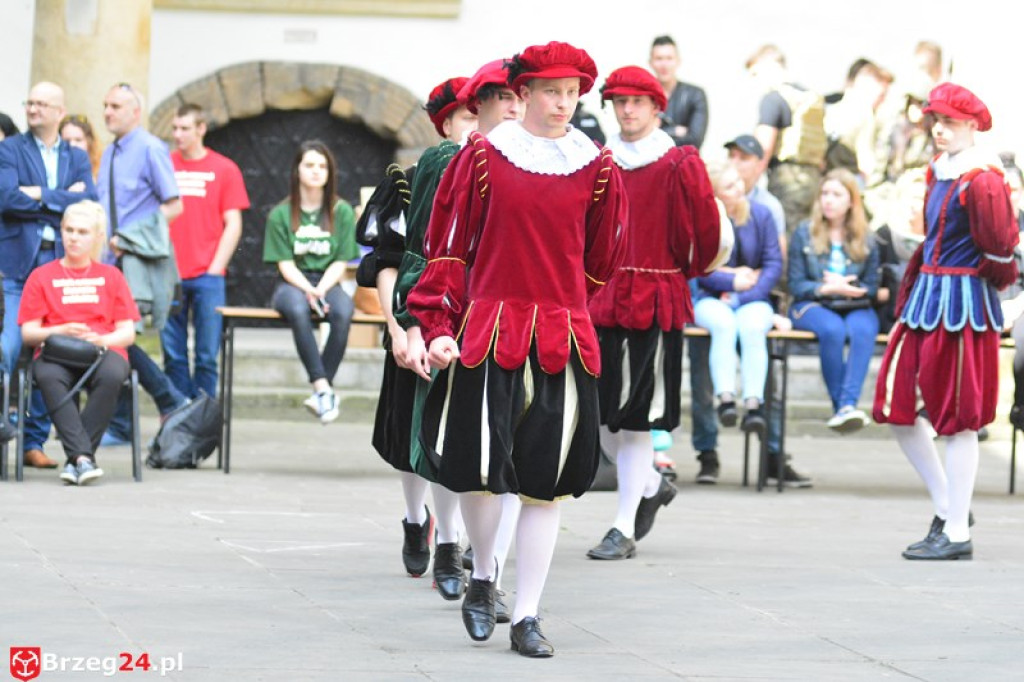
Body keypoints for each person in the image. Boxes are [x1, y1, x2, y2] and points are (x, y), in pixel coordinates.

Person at [407, 41, 627, 657]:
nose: (563, 104)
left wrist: (560, 304)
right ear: (523, 94)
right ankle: (483, 574)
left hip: (562, 338)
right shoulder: (481, 159)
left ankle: (527, 614)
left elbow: (601, 260)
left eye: (573, 93)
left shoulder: (597, 168)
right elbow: (448, 247)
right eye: (551, 92)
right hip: (488, 333)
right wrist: (439, 323)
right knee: (479, 473)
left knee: (545, 484)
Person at [586, 65, 727, 561]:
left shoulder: (678, 161)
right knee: (601, 416)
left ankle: (623, 526)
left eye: (637, 102)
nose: (627, 111)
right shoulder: (600, 159)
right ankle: (650, 485)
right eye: (619, 102)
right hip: (602, 298)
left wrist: (679, 272)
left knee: (638, 418)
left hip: (654, 298)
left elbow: (706, 232)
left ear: (656, 107)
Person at [874, 84, 1018, 560]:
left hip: (961, 305)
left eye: (950, 121)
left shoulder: (983, 179)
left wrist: (985, 297)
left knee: (958, 422)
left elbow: (1000, 252)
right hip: (926, 301)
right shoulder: (939, 172)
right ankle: (949, 506)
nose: (939, 128)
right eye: (935, 119)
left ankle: (956, 531)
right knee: (898, 405)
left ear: (972, 126)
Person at [356, 77, 474, 603]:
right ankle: (414, 518)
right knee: (410, 443)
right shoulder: (409, 183)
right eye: (468, 117)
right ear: (446, 124)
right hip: (409, 318)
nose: (479, 128)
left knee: (450, 439)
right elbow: (385, 263)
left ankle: (450, 544)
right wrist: (396, 326)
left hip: (469, 327)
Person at [0, 81, 97, 469]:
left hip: (58, 267)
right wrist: (59, 199)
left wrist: (38, 193)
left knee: (52, 352)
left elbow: (87, 199)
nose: (33, 109)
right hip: (17, 266)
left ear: (60, 111)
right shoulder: (10, 148)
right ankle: (3, 424)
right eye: (30, 102)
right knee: (7, 346)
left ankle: (33, 441)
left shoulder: (75, 156)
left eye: (42, 104)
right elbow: (6, 197)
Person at [18, 201, 138, 485]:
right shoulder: (42, 276)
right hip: (55, 350)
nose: (73, 237)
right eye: (69, 230)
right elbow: (29, 333)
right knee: (47, 374)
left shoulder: (111, 276)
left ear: (97, 237)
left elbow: (127, 333)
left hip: (102, 348)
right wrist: (59, 330)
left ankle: (78, 459)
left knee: (112, 373)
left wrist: (102, 339)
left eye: (82, 232)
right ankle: (83, 458)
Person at [97, 82, 188, 444]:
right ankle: (133, 420)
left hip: (135, 261)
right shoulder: (109, 152)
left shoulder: (150, 148)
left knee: (122, 338)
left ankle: (169, 400)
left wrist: (130, 236)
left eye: (116, 106)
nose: (107, 112)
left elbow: (174, 206)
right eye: (105, 105)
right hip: (109, 262)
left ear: (135, 112)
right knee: (114, 340)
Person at [263, 140, 358, 424]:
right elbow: (285, 263)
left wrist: (321, 289)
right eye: (309, 165)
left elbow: (342, 261)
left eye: (322, 166)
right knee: (297, 308)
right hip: (292, 284)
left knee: (343, 311)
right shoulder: (280, 214)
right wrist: (308, 289)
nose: (316, 171)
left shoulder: (340, 211)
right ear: (297, 171)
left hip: (328, 281)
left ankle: (322, 390)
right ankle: (323, 388)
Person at [164, 103, 250, 400]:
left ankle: (202, 418)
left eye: (185, 128)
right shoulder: (165, 164)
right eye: (175, 128)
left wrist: (215, 268)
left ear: (201, 129)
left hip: (207, 274)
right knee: (172, 354)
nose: (178, 135)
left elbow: (233, 224)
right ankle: (178, 417)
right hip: (168, 273)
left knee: (206, 355)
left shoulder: (224, 169)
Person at [789, 168, 879, 433]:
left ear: (851, 201)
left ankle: (847, 405)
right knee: (833, 330)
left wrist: (850, 288)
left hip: (854, 303)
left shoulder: (868, 237)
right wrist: (825, 288)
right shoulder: (804, 233)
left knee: (863, 329)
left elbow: (872, 287)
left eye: (836, 194)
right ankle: (842, 407)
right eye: (825, 193)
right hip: (815, 303)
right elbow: (796, 284)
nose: (828, 200)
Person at [694, 161, 781, 432]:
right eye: (730, 186)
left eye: (739, 182)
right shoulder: (704, 220)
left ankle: (754, 402)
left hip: (753, 298)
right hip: (709, 298)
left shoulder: (762, 214)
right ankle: (726, 399)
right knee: (723, 325)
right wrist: (734, 279)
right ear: (716, 193)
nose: (740, 188)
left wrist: (742, 295)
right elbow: (699, 268)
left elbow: (773, 264)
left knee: (752, 327)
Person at [746, 44, 827, 235]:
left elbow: (762, 149)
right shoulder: (809, 97)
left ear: (769, 65)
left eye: (755, 74)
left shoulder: (773, 99)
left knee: (785, 238)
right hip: (813, 180)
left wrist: (747, 184)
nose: (754, 81)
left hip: (786, 181)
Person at [648, 35, 708, 149]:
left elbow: (695, 140)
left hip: (685, 164)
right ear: (650, 63)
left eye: (669, 58)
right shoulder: (643, 98)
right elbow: (638, 139)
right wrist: (674, 130)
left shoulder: (695, 94)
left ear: (678, 61)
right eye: (659, 58)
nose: (664, 65)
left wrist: (656, 133)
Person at [59, 114, 102, 179]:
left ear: (89, 142)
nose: (72, 145)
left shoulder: (101, 172)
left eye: (78, 140)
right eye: (67, 141)